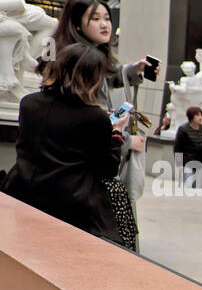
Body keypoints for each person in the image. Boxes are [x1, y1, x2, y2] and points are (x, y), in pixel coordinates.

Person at [4, 43, 130, 246]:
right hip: (72, 204)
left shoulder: (28, 103)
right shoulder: (95, 117)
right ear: (92, 77)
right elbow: (107, 168)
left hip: (23, 192)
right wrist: (116, 133)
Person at [49, 0, 151, 172]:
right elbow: (83, 122)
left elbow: (107, 78)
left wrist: (133, 71)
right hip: (82, 165)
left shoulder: (91, 55)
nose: (105, 24)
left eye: (107, 18)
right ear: (77, 24)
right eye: (95, 19)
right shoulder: (78, 62)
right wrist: (125, 139)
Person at [172, 105, 202, 188]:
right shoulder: (183, 129)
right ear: (191, 116)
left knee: (198, 186)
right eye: (197, 115)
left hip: (200, 161)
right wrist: (180, 164)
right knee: (188, 184)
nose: (200, 117)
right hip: (187, 161)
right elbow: (177, 147)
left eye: (201, 115)